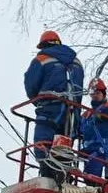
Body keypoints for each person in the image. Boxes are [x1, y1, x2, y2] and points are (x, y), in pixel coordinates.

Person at [23, 30, 85, 180]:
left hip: (50, 106)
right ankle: (63, 173)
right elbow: (79, 87)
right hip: (72, 111)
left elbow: (30, 84)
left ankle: (46, 169)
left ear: (43, 44)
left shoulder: (41, 59)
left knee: (43, 137)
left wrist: (36, 100)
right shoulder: (76, 61)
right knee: (64, 141)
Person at [78, 78, 108, 180]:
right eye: (93, 94)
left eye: (97, 93)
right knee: (87, 177)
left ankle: (95, 190)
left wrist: (105, 112)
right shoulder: (87, 113)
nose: (94, 96)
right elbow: (79, 128)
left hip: (101, 149)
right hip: (87, 150)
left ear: (103, 93)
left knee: (92, 177)